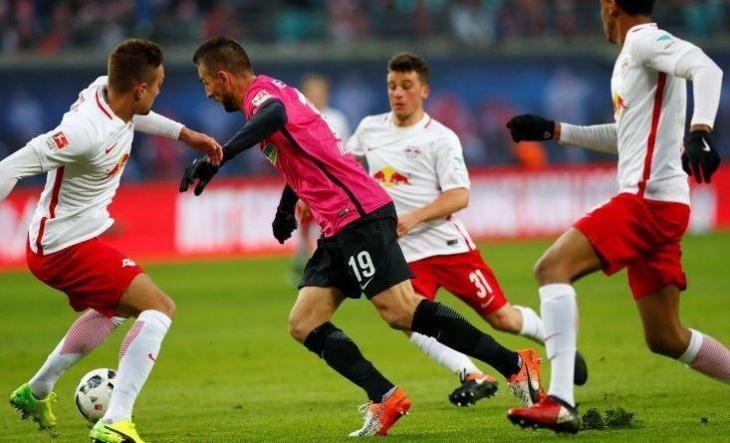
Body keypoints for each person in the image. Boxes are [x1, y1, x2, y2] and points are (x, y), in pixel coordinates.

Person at [181, 36, 543, 437]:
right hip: (337, 224)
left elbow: (275, 116)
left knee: (401, 311)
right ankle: (385, 396)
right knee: (304, 322)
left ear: (224, 76)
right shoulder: (273, 92)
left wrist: (218, 156)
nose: (208, 92)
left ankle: (514, 365)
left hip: (358, 215)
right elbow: (307, 152)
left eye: (206, 82)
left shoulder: (263, 98)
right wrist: (286, 207)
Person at [505, 0, 726, 434]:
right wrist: (555, 131)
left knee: (551, 268)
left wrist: (700, 132)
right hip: (664, 205)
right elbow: (625, 136)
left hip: (646, 202)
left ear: (610, 6)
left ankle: (560, 401)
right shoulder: (633, 56)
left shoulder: (644, 41)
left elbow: (707, 68)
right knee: (666, 337)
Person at [1, 39, 222, 443]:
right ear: (140, 89)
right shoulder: (82, 131)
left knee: (117, 310)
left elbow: (138, 117)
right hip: (63, 248)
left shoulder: (110, 92)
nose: (158, 94)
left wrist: (185, 134)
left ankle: (36, 390)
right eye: (157, 86)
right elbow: (10, 167)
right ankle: (116, 420)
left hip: (76, 238)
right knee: (159, 307)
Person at [346, 52, 587, 408]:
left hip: (446, 246)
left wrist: (414, 217)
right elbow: (346, 165)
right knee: (407, 319)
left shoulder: (440, 138)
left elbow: (460, 195)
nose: (397, 93)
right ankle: (470, 373)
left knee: (502, 318)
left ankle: (552, 340)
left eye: (406, 86)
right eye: (392, 86)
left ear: (424, 91)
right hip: (403, 251)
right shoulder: (370, 128)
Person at [290, 74, 352, 283]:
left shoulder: (337, 119)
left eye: (319, 91)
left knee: (334, 226)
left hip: (332, 184)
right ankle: (301, 260)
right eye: (311, 91)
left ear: (326, 93)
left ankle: (333, 264)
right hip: (307, 183)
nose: (316, 95)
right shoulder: (296, 116)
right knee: (304, 224)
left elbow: (345, 151)